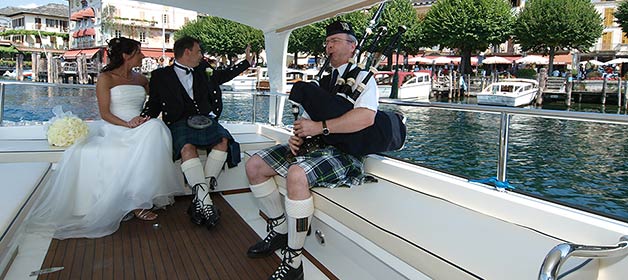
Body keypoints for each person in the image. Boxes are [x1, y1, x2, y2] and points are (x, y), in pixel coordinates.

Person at [244, 21, 378, 280]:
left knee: (296, 174)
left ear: (352, 46)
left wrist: (320, 127)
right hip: (314, 147)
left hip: (344, 152)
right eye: (328, 41)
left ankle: (294, 261)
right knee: (255, 166)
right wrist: (298, 136)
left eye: (336, 40)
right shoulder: (321, 80)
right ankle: (281, 229)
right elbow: (304, 120)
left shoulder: (363, 79)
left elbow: (365, 119)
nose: (329, 45)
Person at [27, 37, 184, 239]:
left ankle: (139, 198)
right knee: (155, 129)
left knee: (156, 126)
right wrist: (127, 124)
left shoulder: (142, 79)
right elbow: (104, 113)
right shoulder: (106, 78)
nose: (143, 56)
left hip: (138, 126)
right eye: (139, 52)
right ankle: (137, 202)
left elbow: (153, 105)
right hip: (116, 127)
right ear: (127, 56)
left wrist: (142, 119)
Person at [141, 36, 253, 229]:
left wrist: (246, 63)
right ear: (187, 52)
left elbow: (224, 75)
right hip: (179, 121)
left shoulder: (203, 69)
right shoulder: (161, 76)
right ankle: (206, 202)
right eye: (199, 51)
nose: (201, 55)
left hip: (205, 119)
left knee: (223, 140)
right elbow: (155, 104)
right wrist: (142, 118)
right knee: (186, 147)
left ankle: (201, 199)